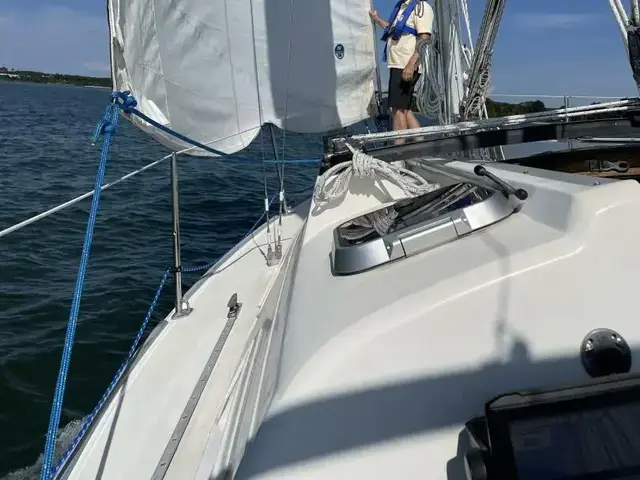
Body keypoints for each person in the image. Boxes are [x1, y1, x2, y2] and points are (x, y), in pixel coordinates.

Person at [370, 1, 433, 132]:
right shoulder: (401, 8)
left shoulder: (420, 8)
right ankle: (420, 140)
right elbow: (392, 29)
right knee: (405, 110)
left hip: (405, 65)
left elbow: (425, 37)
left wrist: (411, 65)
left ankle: (399, 143)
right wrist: (377, 19)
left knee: (397, 110)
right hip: (398, 64)